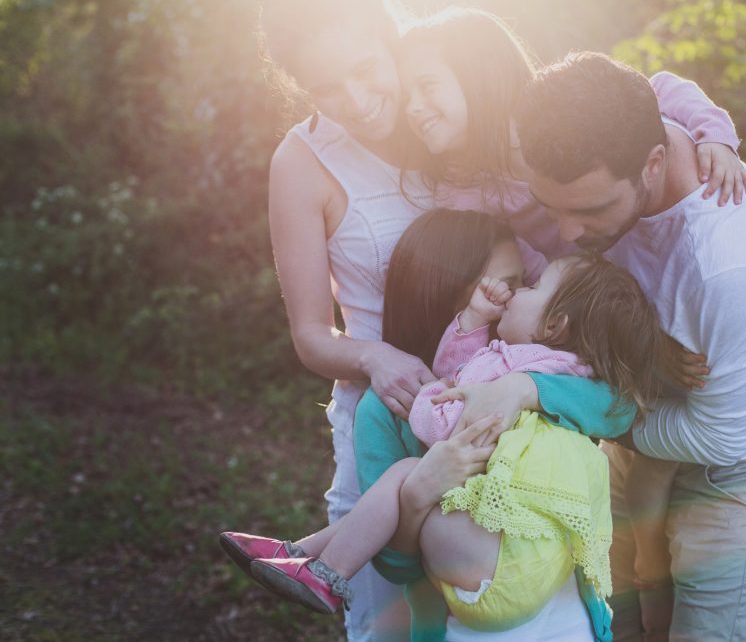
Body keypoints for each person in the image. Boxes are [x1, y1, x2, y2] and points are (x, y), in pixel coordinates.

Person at [252, 0, 746, 636]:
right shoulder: (305, 160)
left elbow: (621, 102)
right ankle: (320, 556)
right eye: (325, 88)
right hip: (396, 403)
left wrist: (711, 129)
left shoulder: (456, 112)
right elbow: (311, 335)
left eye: (366, 70)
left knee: (520, 600)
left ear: (391, 37)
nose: (358, 100)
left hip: (509, 402)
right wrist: (375, 357)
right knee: (393, 620)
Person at [444, 52, 746, 641]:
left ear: (653, 162)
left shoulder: (727, 265)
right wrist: (717, 131)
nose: (568, 234)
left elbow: (722, 434)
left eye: (589, 209)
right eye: (553, 205)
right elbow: (660, 83)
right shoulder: (614, 114)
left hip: (725, 473)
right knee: (616, 621)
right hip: (634, 440)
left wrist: (577, 405)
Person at [223, 210, 674, 639]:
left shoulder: (541, 367)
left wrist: (523, 388)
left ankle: (306, 557)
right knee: (407, 477)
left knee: (405, 476)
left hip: (562, 613)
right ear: (454, 292)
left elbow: (619, 407)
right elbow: (396, 567)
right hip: (469, 606)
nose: (513, 294)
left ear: (554, 324)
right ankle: (311, 562)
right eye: (504, 286)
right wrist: (420, 495)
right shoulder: (389, 408)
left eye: (523, 284)